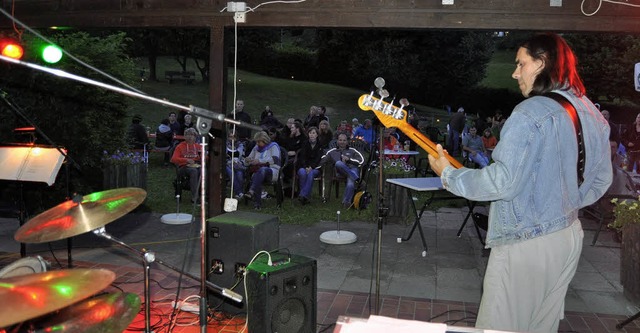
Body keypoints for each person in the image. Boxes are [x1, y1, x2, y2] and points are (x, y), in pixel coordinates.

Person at [428, 33, 612, 333]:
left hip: (527, 243)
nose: (515, 73)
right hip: (568, 236)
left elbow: (503, 182)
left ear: (541, 63)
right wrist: (563, 204)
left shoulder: (530, 112)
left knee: (500, 327)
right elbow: (602, 179)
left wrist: (449, 174)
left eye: (521, 63)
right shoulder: (590, 111)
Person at [320, 133, 365, 208]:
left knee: (351, 181)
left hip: (352, 169)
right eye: (340, 140)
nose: (342, 142)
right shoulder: (332, 151)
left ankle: (346, 202)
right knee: (338, 163)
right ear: (337, 141)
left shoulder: (352, 150)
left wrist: (349, 160)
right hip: (340, 172)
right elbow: (323, 159)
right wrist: (314, 166)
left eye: (344, 140)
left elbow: (362, 161)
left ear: (347, 142)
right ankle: (357, 179)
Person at [243, 131, 282, 210]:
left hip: (272, 171)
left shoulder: (273, 146)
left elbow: (275, 160)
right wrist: (247, 160)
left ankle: (252, 193)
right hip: (258, 172)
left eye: (259, 141)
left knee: (262, 170)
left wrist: (260, 161)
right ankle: (256, 202)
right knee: (258, 174)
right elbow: (247, 163)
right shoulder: (256, 148)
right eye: (256, 141)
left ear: (265, 140)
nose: (257, 143)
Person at [170, 128, 202, 204]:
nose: (190, 137)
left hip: (196, 165)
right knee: (193, 171)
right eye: (188, 135)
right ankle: (195, 197)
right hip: (183, 167)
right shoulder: (180, 146)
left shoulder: (198, 147)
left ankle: (204, 195)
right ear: (184, 136)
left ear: (195, 137)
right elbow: (173, 159)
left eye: (192, 135)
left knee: (203, 171)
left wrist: (203, 157)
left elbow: (205, 157)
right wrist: (186, 160)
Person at [296, 126, 323, 205]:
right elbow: (302, 157)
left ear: (317, 135)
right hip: (304, 166)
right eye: (310, 133)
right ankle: (305, 197)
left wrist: (311, 167)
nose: (311, 135)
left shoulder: (320, 145)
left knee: (311, 174)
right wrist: (306, 166)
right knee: (302, 173)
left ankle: (302, 195)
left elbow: (318, 158)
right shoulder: (305, 143)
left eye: (313, 133)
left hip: (315, 167)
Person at [226, 131, 245, 199]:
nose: (232, 139)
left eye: (233, 137)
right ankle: (239, 192)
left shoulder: (240, 145)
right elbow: (225, 156)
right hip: (227, 164)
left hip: (238, 164)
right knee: (231, 173)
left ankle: (238, 194)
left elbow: (240, 156)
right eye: (230, 137)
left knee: (239, 174)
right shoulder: (225, 145)